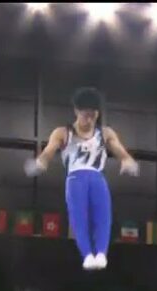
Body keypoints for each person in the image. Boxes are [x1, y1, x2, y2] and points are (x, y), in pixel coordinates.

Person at [25, 87, 139, 271]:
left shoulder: (106, 133)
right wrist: (40, 163)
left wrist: (127, 161)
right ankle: (87, 254)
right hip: (75, 178)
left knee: (104, 215)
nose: (90, 119)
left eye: (93, 115)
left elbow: (121, 151)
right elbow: (48, 152)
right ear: (76, 111)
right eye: (86, 115)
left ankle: (101, 252)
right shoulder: (62, 133)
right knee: (79, 218)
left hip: (97, 177)